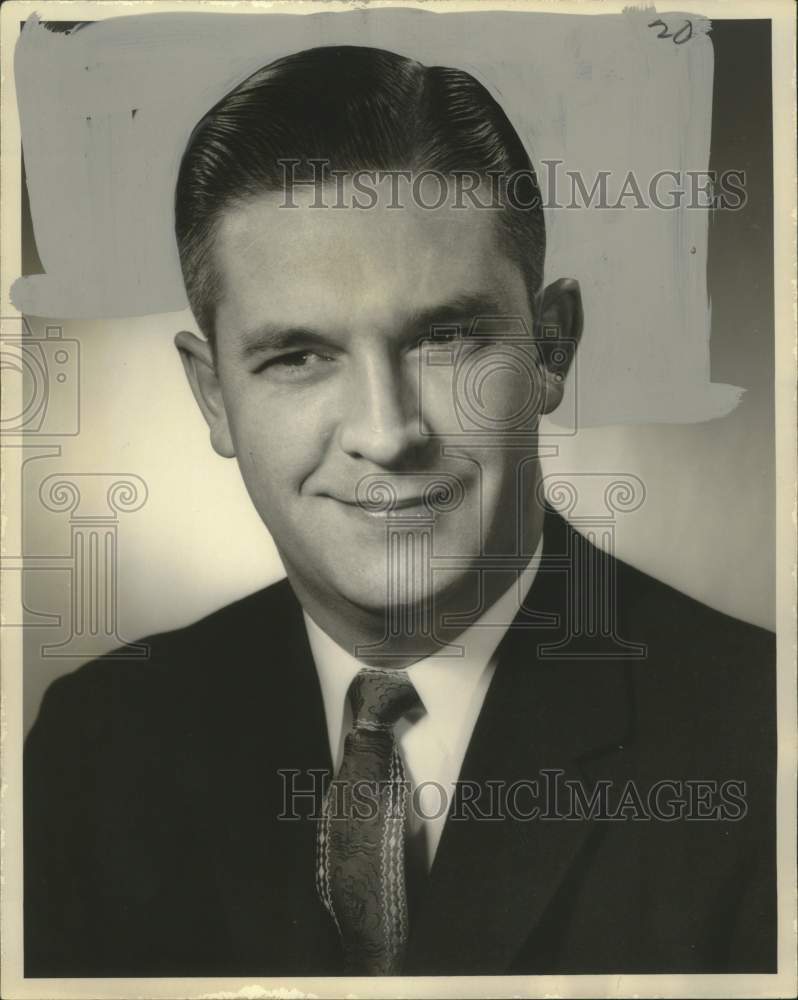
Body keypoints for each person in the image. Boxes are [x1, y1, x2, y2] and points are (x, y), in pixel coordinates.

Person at [24, 45, 776, 978]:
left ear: (550, 349)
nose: (386, 434)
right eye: (299, 357)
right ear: (214, 396)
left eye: (444, 337)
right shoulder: (95, 746)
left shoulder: (762, 733)